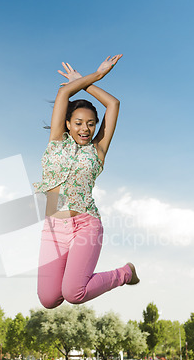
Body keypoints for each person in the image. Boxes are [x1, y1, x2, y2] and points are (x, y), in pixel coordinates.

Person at [33, 55, 139, 309]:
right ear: (67, 124)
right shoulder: (56, 142)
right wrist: (87, 78)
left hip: (85, 224)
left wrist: (88, 82)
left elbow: (113, 104)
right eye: (79, 123)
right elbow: (65, 93)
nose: (85, 129)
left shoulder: (97, 151)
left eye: (91, 124)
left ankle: (124, 273)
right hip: (54, 229)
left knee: (74, 293)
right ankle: (71, 281)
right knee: (48, 299)